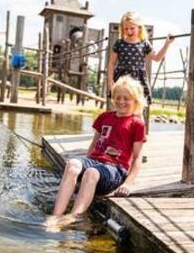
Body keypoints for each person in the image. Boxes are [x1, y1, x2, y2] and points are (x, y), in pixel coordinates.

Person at [48, 76, 147, 227]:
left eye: (126, 98)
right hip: (95, 161)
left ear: (135, 101)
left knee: (91, 173)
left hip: (115, 169)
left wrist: (128, 183)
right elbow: (94, 144)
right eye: (118, 97)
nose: (121, 101)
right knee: (73, 163)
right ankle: (55, 217)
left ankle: (72, 218)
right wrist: (82, 166)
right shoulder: (104, 117)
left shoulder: (137, 124)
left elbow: (138, 158)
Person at [108, 11, 174, 105]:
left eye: (132, 28)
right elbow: (111, 63)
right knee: (120, 105)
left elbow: (157, 58)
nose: (129, 31)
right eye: (126, 29)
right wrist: (110, 81)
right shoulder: (119, 43)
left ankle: (139, 120)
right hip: (121, 79)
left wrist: (167, 44)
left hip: (138, 80)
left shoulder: (144, 43)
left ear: (139, 28)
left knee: (138, 108)